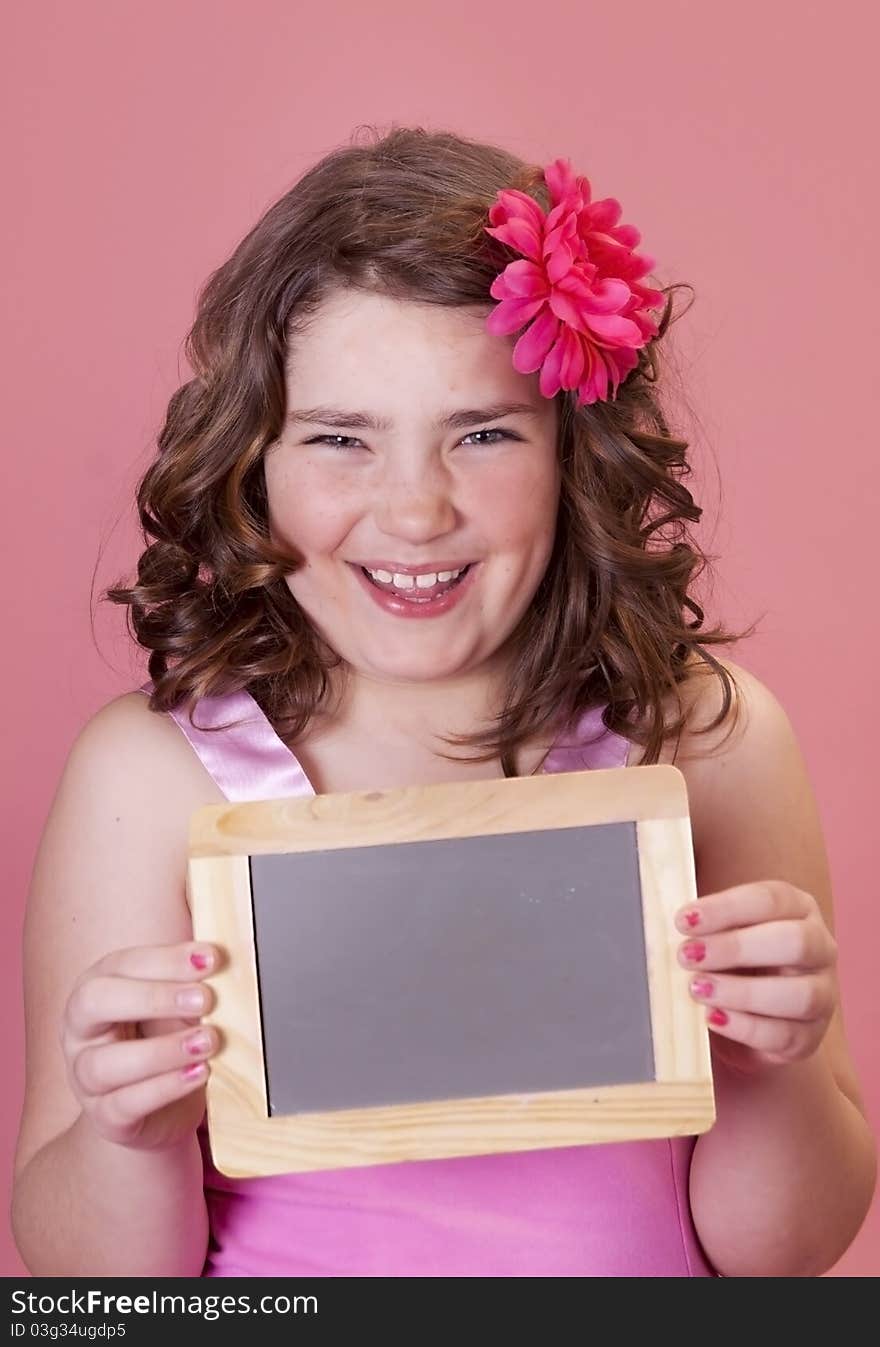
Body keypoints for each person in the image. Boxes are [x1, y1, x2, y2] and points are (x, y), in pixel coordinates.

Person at [11, 125, 876, 1278]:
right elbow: (98, 1287)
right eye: (338, 440)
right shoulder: (149, 778)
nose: (415, 512)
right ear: (249, 465)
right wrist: (128, 1134)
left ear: (575, 453)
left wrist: (775, 1064)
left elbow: (779, 1257)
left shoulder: (706, 740)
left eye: (481, 433)